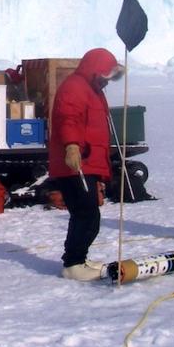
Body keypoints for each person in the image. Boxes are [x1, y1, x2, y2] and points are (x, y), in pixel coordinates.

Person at [49, 48, 124, 281]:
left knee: (88, 214)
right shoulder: (75, 87)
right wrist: (72, 146)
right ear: (96, 70)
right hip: (75, 164)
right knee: (86, 214)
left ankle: (79, 259)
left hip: (86, 162)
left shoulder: (92, 89)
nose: (107, 82)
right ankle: (73, 264)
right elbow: (67, 118)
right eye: (106, 76)